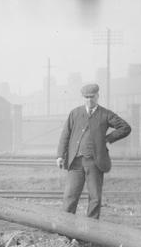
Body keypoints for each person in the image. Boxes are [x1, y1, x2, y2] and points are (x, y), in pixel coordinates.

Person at [56, 83, 131, 219]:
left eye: (92, 97)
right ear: (83, 98)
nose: (89, 100)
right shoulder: (75, 113)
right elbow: (65, 135)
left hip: (95, 162)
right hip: (76, 162)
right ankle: (65, 232)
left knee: (95, 198)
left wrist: (108, 138)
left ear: (97, 96)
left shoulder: (105, 114)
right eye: (86, 97)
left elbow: (125, 127)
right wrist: (60, 156)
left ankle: (91, 233)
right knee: (70, 196)